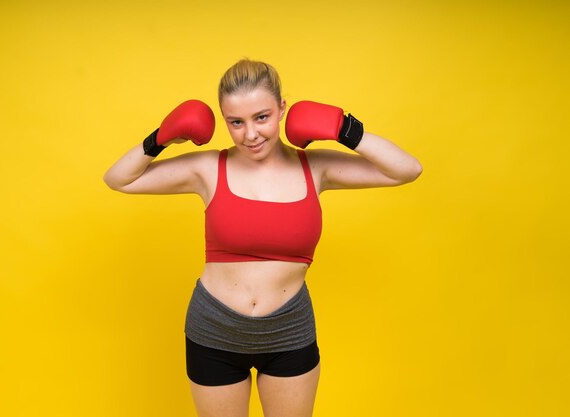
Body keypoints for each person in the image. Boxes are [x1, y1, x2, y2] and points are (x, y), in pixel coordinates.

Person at [103, 59, 422, 417]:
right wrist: (161, 138)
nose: (250, 134)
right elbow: (119, 179)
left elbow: (407, 170)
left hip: (288, 331)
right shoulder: (208, 168)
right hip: (214, 330)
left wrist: (346, 129)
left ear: (282, 109)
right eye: (236, 122)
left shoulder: (314, 167)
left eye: (261, 117)